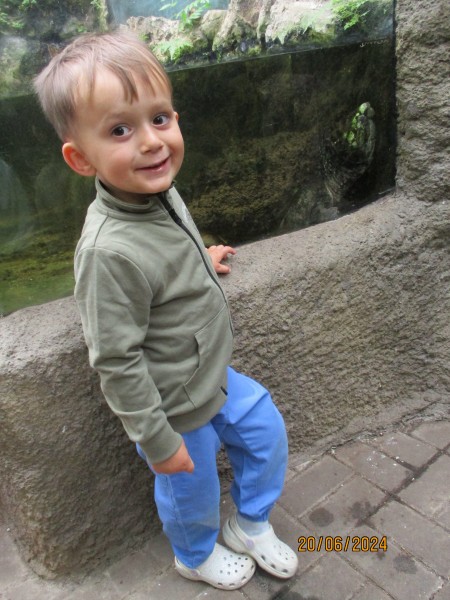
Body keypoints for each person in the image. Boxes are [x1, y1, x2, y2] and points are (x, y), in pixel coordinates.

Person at [34, 31, 298, 590]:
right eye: (120, 130)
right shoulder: (106, 253)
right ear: (80, 158)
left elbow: (166, 251)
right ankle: (194, 554)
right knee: (189, 488)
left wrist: (200, 258)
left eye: (159, 118)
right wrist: (158, 440)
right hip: (172, 407)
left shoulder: (155, 191)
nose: (152, 142)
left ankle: (250, 523)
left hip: (211, 375)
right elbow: (116, 359)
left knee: (265, 432)